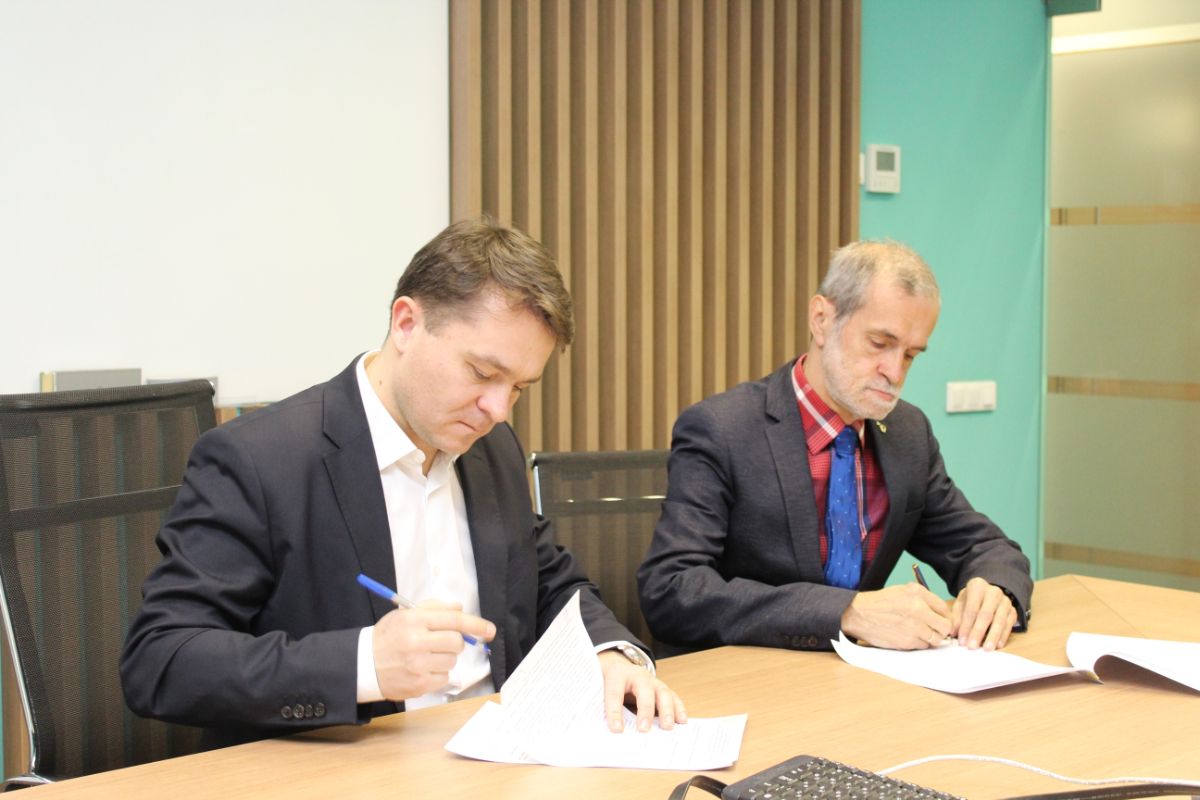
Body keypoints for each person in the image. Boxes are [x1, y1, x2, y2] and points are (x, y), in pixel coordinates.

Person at [121, 217, 685, 749]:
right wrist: (366, 663)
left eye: (518, 387)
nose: (497, 410)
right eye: (483, 373)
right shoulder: (260, 459)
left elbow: (550, 582)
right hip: (352, 768)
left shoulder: (492, 449)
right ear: (407, 324)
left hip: (500, 755)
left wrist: (609, 651)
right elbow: (161, 659)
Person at [637, 240, 1032, 655]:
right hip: (750, 674)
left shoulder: (907, 433)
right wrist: (844, 613)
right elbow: (672, 590)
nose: (895, 372)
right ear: (822, 319)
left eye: (911, 355)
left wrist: (994, 588)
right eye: (879, 343)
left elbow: (984, 547)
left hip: (863, 678)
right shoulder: (723, 429)